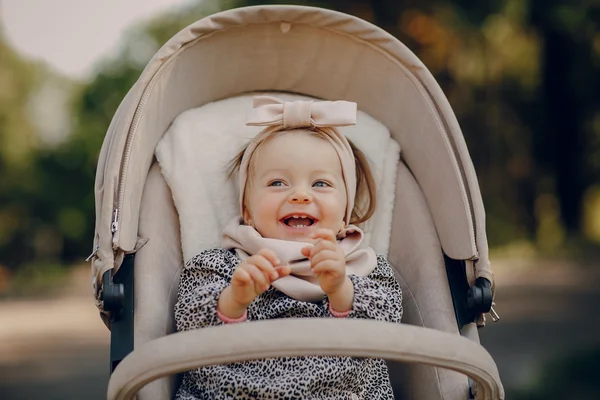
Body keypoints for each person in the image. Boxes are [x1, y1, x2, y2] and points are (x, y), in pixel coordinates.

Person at [175, 96, 403, 400]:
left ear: (345, 212)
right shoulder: (221, 267)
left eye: (320, 184)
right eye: (277, 183)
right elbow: (188, 320)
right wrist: (234, 300)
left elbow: (389, 329)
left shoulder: (364, 268)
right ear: (248, 210)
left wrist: (341, 291)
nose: (299, 195)